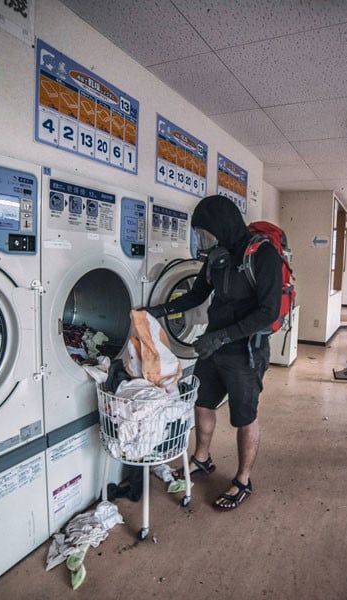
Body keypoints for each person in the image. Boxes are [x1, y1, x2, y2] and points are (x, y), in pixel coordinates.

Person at [146, 195, 282, 511]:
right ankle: (202, 459)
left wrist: (222, 336)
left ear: (222, 225)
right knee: (203, 402)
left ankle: (243, 480)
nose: (202, 240)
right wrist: (160, 309)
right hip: (213, 345)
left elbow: (269, 312)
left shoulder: (263, 255)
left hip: (245, 349)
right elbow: (195, 296)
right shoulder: (217, 256)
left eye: (205, 232)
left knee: (244, 416)